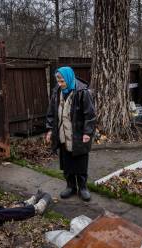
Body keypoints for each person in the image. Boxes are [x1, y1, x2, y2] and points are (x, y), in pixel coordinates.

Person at [46, 66, 96, 201]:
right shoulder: (56, 92)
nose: (60, 84)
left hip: (78, 135)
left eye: (62, 81)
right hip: (63, 134)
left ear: (69, 78)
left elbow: (90, 115)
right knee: (67, 162)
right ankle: (70, 186)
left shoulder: (82, 92)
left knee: (80, 162)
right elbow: (51, 112)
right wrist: (50, 129)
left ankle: (83, 187)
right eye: (58, 81)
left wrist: (87, 132)